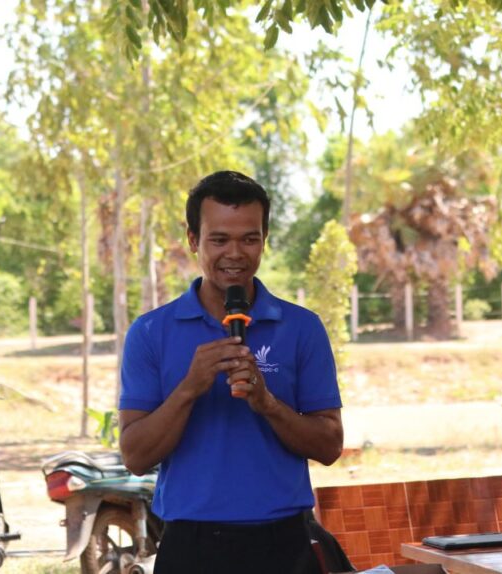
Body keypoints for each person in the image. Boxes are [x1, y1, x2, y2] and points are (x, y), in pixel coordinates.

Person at [119, 170, 345, 574]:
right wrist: (189, 388)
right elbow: (135, 456)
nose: (235, 253)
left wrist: (268, 403)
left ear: (265, 239)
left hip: (285, 546)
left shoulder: (302, 327)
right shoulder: (151, 332)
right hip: (192, 547)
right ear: (193, 240)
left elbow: (329, 447)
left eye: (249, 238)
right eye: (219, 239)